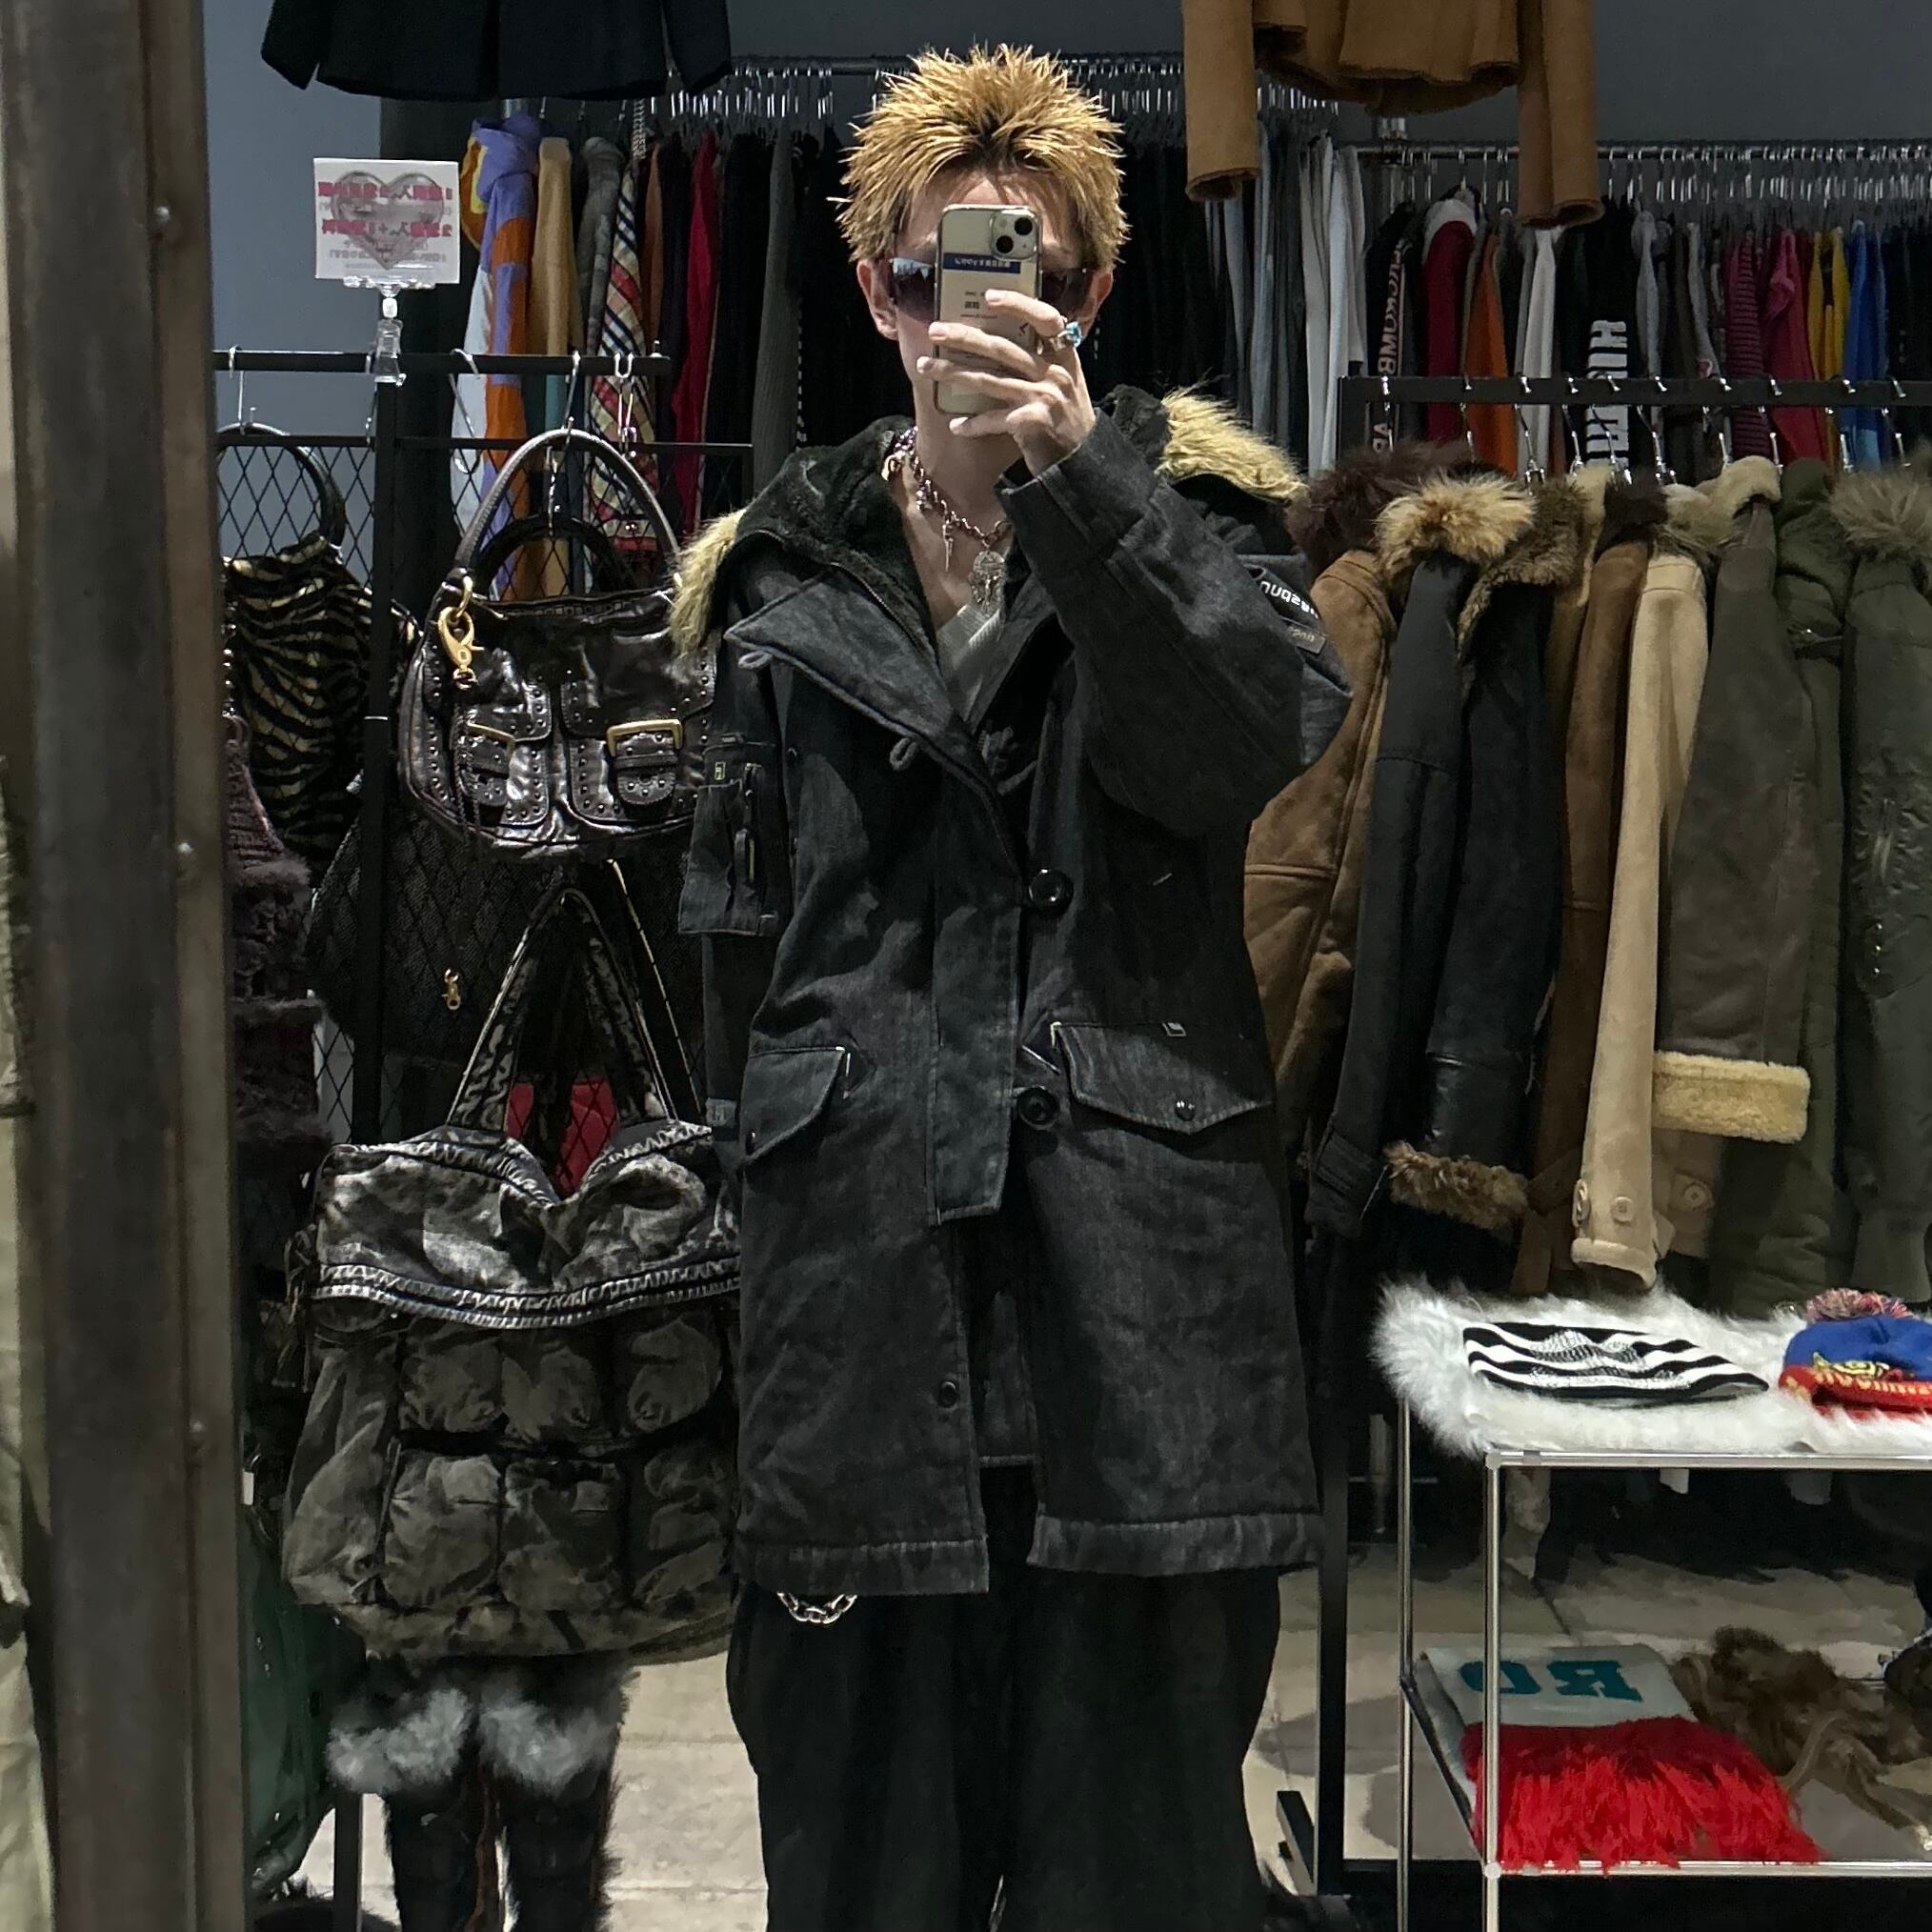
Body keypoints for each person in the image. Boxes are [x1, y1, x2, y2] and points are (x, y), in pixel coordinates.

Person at [673, 45, 1348, 1932]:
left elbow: (1241, 747)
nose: (969, 308)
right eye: (929, 273)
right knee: (858, 1871)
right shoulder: (774, 575)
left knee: (1139, 1880)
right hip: (865, 1325)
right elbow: (729, 961)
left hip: (1135, 1320)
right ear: (875, 294)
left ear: (1093, 294)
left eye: (1025, 272)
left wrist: (1076, 481)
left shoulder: (1203, 532)